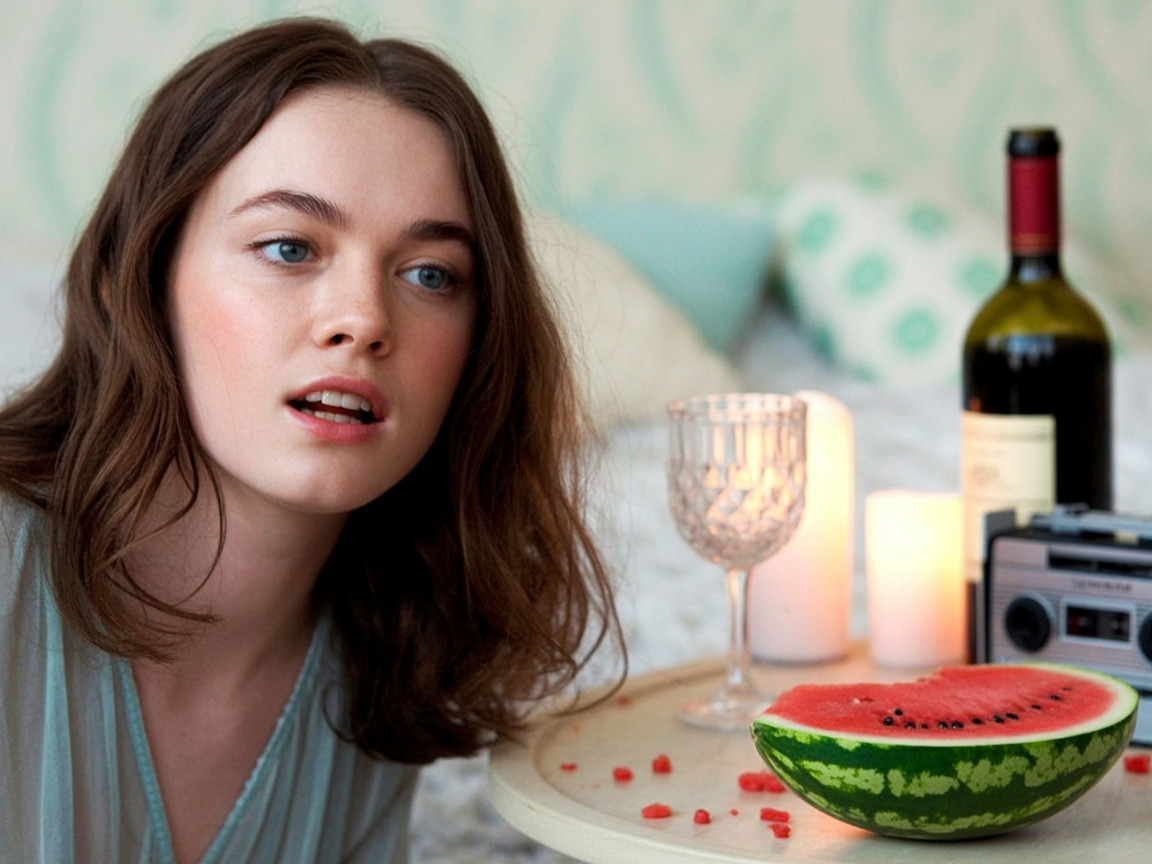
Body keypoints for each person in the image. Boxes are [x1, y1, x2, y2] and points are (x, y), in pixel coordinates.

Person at [0, 17, 622, 864]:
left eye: (430, 274)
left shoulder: (391, 668)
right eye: (289, 247)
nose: (364, 320)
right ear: (134, 281)